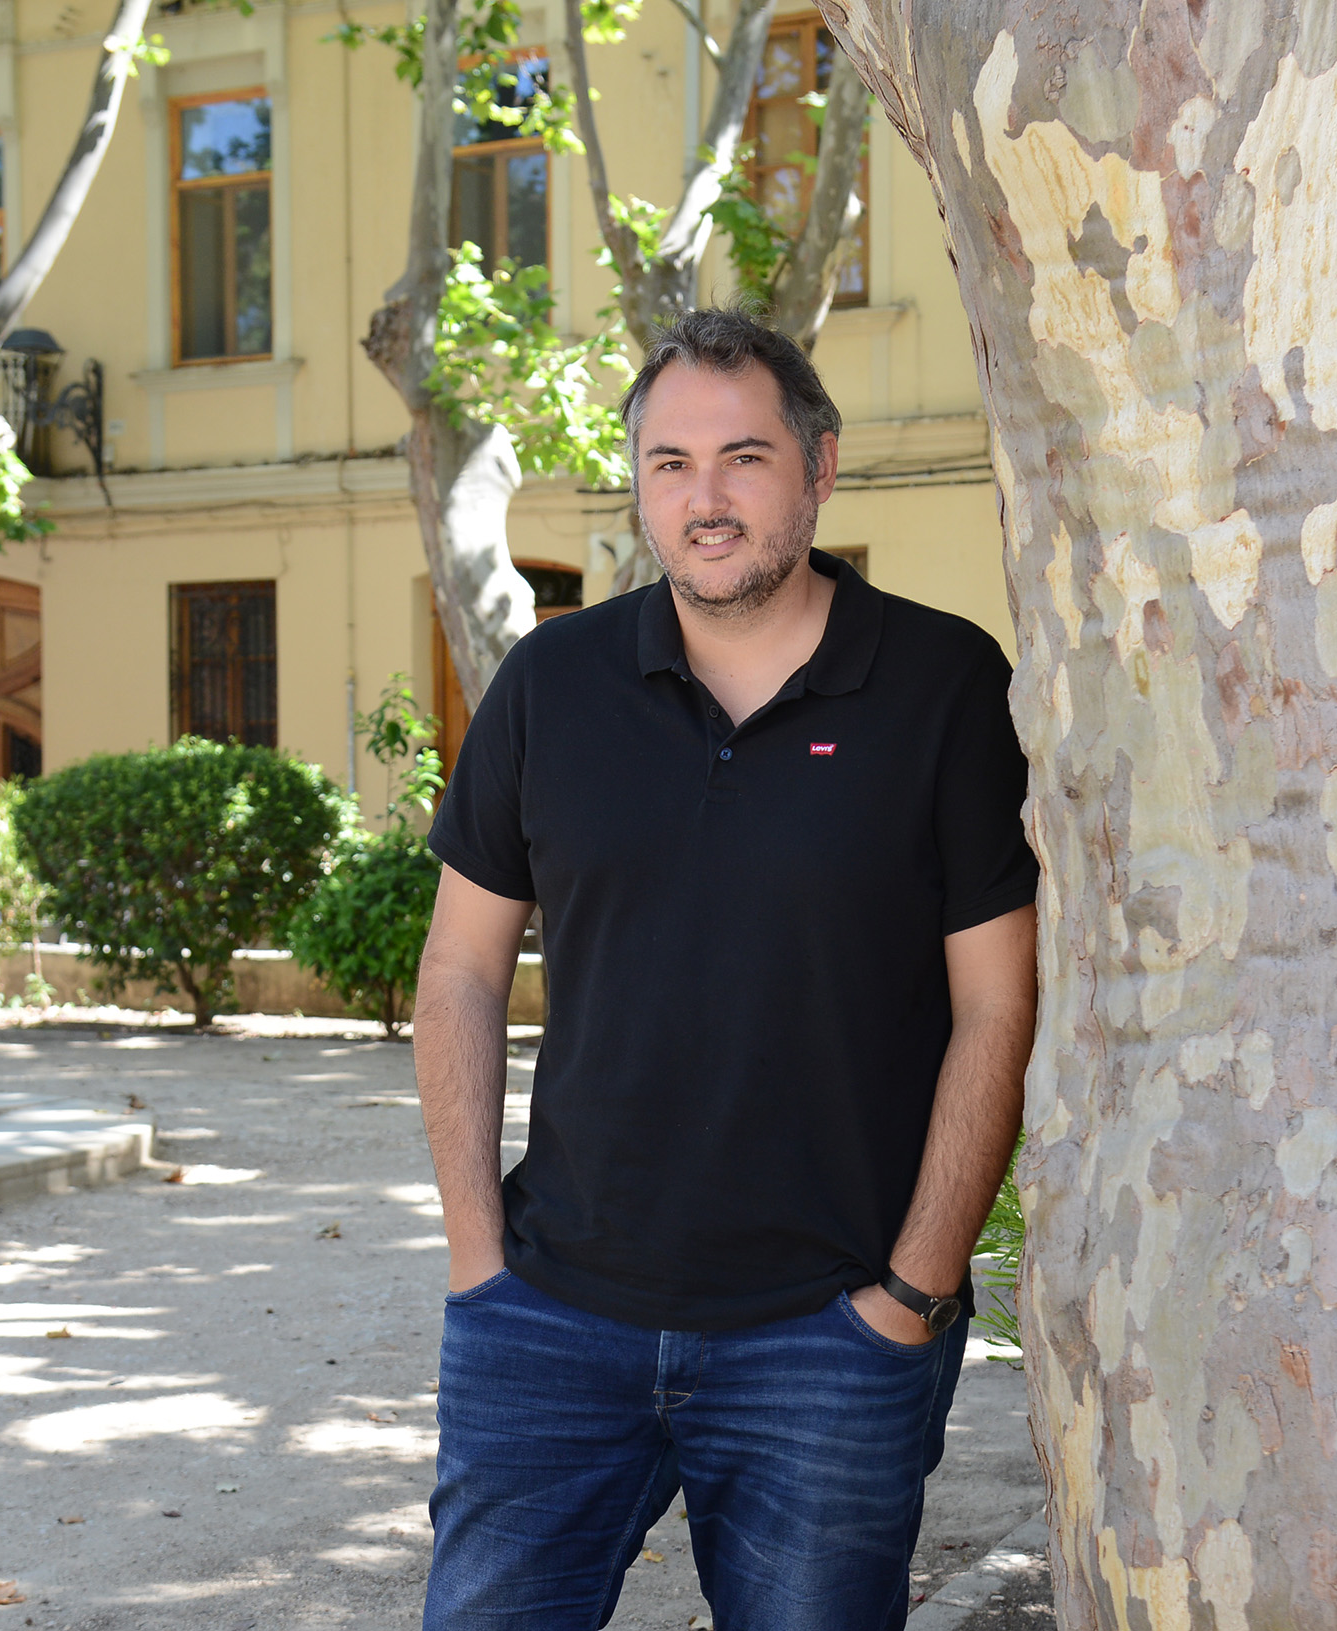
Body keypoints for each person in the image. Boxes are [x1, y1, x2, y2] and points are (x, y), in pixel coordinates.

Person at [413, 307, 1039, 1630]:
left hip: (829, 1335)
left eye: (744, 458)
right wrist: (479, 1263)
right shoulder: (552, 682)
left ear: (819, 466)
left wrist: (913, 1293)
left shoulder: (942, 686)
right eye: (670, 464)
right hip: (549, 1319)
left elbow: (997, 1004)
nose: (706, 500)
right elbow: (460, 968)